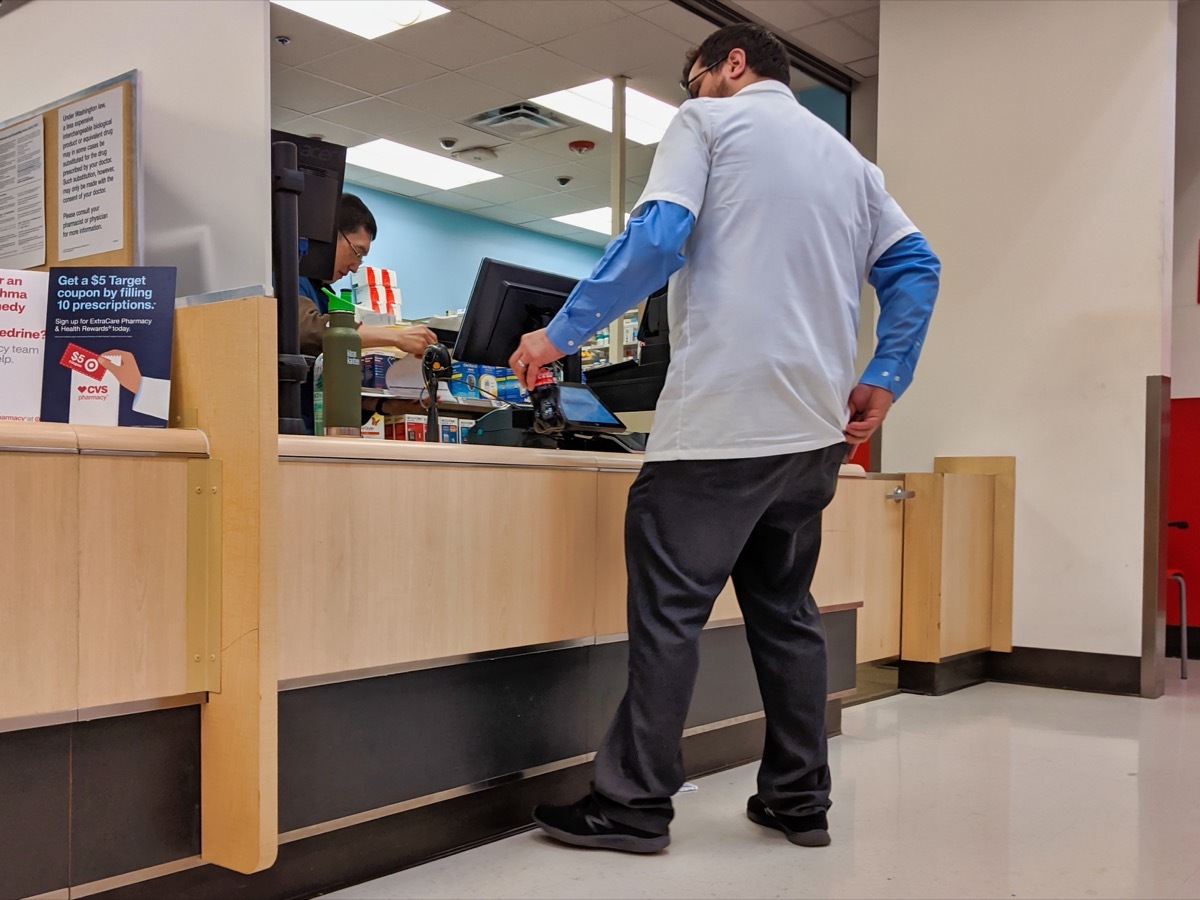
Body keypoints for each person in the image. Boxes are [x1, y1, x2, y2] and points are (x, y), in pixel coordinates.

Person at [510, 23, 940, 853]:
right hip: (812, 433)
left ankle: (631, 804)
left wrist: (558, 336)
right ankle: (797, 798)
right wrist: (886, 374)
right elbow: (916, 265)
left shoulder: (707, 124)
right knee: (786, 613)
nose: (688, 92)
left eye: (692, 76)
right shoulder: (853, 165)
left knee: (671, 613)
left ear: (731, 64)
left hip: (721, 423)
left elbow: (660, 235)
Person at [295, 193, 436, 430]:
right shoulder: (289, 278)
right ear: (329, 235)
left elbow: (323, 386)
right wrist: (395, 336)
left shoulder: (321, 293)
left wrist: (384, 406)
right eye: (356, 252)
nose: (354, 266)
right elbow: (310, 330)